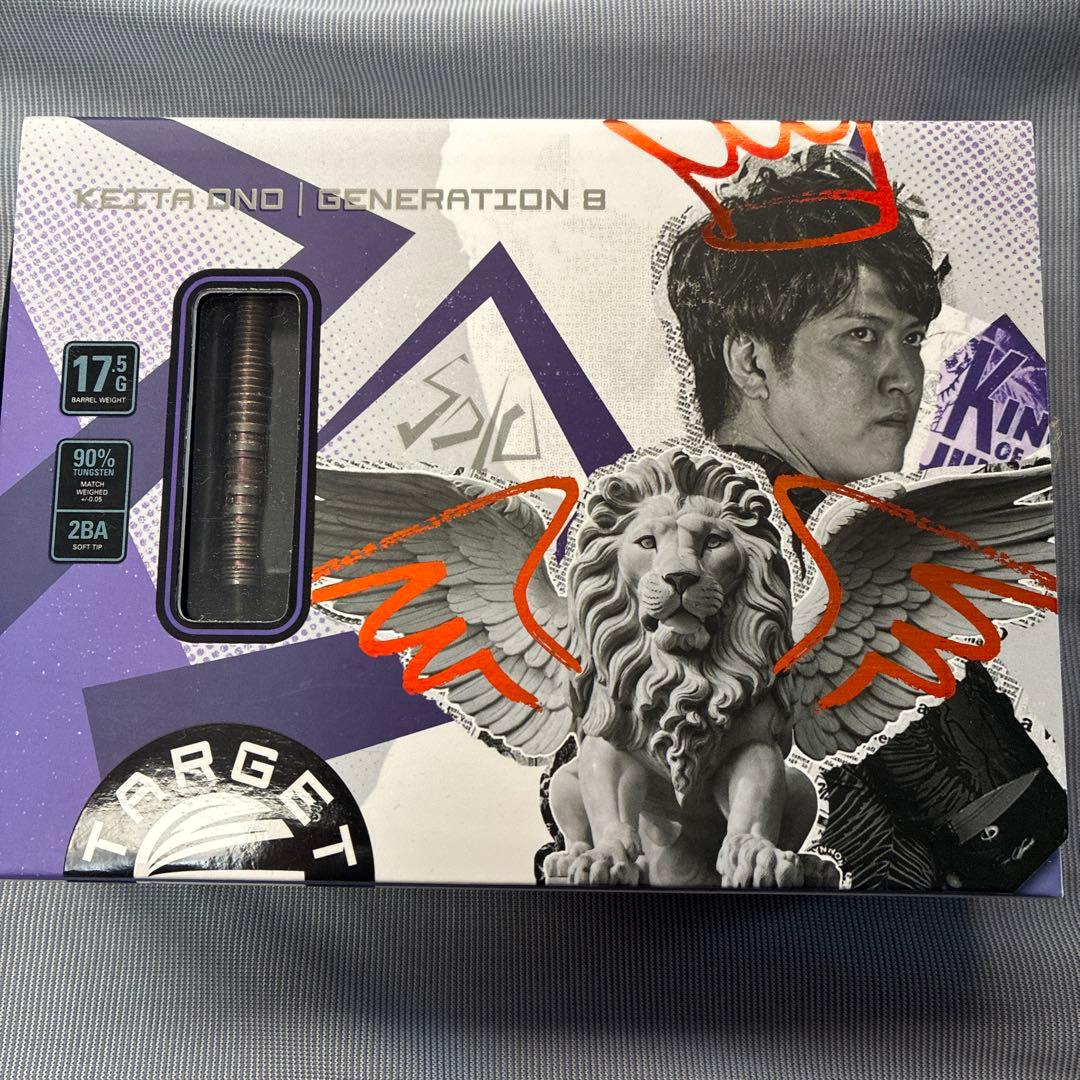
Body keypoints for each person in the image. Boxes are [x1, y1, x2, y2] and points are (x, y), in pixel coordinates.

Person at [662, 149, 1066, 890]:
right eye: (861, 335)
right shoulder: (804, 541)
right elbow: (1013, 839)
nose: (905, 376)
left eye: (910, 338)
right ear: (751, 363)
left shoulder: (670, 547)